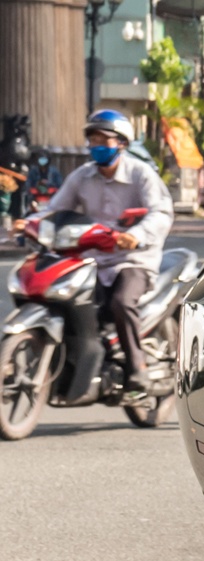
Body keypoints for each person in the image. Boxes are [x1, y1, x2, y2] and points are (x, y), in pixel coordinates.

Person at [23, 110, 173, 391]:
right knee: (70, 299)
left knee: (120, 303)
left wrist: (134, 235)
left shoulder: (141, 174)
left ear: (122, 143)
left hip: (133, 259)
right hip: (91, 257)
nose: (97, 145)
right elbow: (55, 209)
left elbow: (161, 213)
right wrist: (30, 223)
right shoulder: (81, 176)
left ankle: (137, 364)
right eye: (93, 139)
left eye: (104, 139)